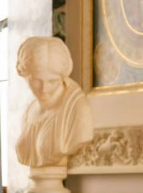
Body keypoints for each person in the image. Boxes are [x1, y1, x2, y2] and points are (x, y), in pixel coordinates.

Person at [14, 36, 93, 170]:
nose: (44, 89)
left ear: (62, 77)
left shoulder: (78, 110)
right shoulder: (30, 111)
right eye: (36, 81)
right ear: (24, 75)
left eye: (52, 81)